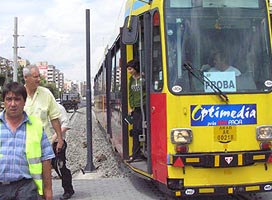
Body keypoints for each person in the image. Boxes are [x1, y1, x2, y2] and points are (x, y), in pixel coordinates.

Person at [0, 82, 55, 200]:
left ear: (24, 102)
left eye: (17, 99)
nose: (13, 104)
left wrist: (48, 190)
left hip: (27, 188)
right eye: (9, 99)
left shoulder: (35, 125)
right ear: (4, 101)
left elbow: (46, 159)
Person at [23, 65, 64, 153]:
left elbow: (54, 118)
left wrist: (60, 139)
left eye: (39, 76)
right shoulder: (18, 95)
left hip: (44, 144)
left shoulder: (46, 94)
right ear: (26, 78)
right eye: (35, 77)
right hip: (24, 144)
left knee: (45, 167)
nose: (38, 79)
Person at [51, 103, 74, 200]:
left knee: (60, 167)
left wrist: (56, 137)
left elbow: (66, 124)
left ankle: (68, 190)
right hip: (43, 143)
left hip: (57, 143)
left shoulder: (58, 108)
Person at [126, 59, 146, 163]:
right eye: (128, 69)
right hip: (136, 108)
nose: (129, 71)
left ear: (135, 68)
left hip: (145, 106)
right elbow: (131, 94)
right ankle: (135, 153)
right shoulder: (131, 80)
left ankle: (139, 152)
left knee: (140, 129)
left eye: (130, 69)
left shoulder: (144, 78)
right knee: (135, 131)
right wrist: (131, 107)